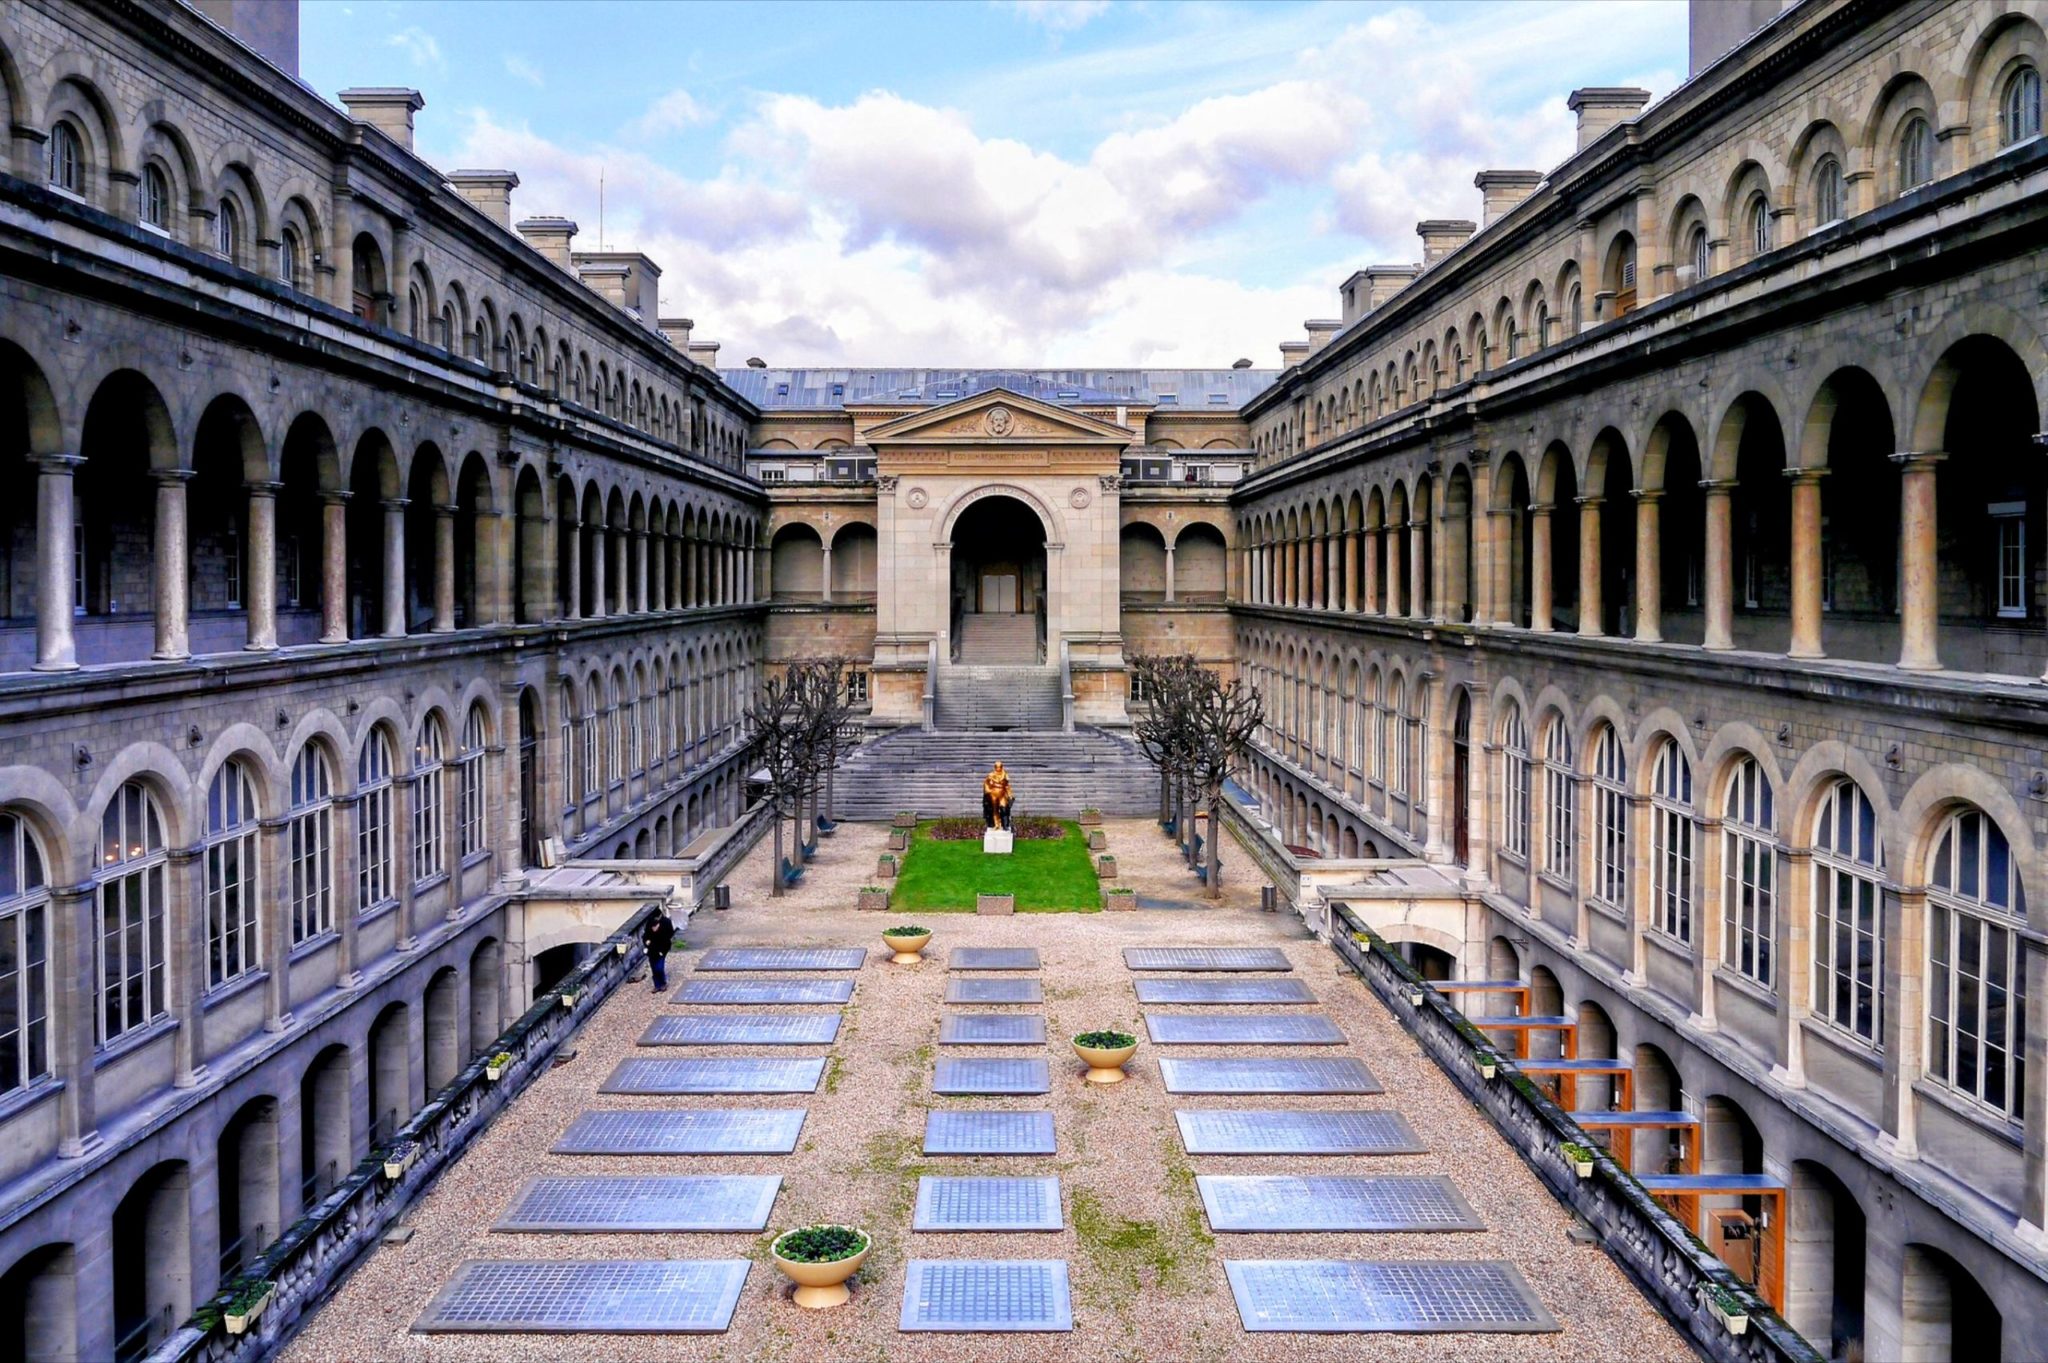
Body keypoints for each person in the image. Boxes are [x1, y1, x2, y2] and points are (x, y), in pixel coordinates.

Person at [640, 905, 676, 992]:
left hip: (662, 948)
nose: (653, 929)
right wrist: (646, 942)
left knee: (659, 967)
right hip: (651, 949)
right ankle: (657, 985)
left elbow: (670, 934)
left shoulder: (666, 922)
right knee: (653, 968)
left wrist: (663, 949)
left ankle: (663, 983)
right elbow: (645, 936)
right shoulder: (649, 923)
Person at [981, 760, 1014, 831]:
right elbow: (985, 783)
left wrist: (1010, 795)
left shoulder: (1005, 775)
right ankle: (996, 824)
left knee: (1004, 809)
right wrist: (988, 790)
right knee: (995, 809)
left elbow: (1007, 786)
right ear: (995, 767)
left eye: (999, 767)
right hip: (993, 794)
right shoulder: (991, 775)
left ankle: (1005, 825)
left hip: (1002, 794)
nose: (998, 769)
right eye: (997, 767)